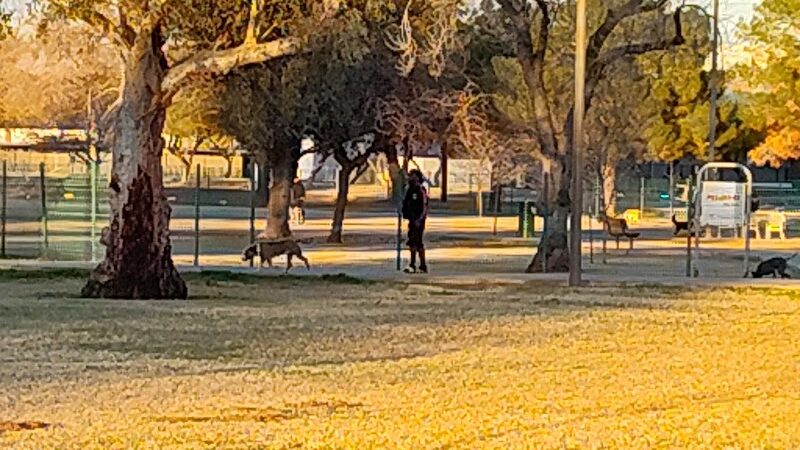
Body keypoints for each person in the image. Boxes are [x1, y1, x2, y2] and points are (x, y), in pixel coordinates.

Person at [402, 169, 429, 274]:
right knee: (412, 242)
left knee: (417, 242)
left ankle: (422, 265)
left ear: (417, 177)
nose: (410, 178)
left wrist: (419, 219)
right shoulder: (410, 189)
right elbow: (406, 203)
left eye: (412, 176)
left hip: (418, 220)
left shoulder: (420, 190)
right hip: (412, 219)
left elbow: (424, 206)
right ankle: (413, 264)